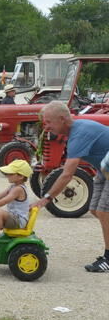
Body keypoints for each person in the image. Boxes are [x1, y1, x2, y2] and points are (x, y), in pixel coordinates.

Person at [33, 102, 109, 272]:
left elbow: (67, 175)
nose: (46, 127)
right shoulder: (75, 130)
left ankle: (108, 258)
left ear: (62, 119)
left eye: (49, 122)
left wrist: (46, 199)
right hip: (104, 170)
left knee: (105, 212)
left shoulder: (79, 135)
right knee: (96, 210)